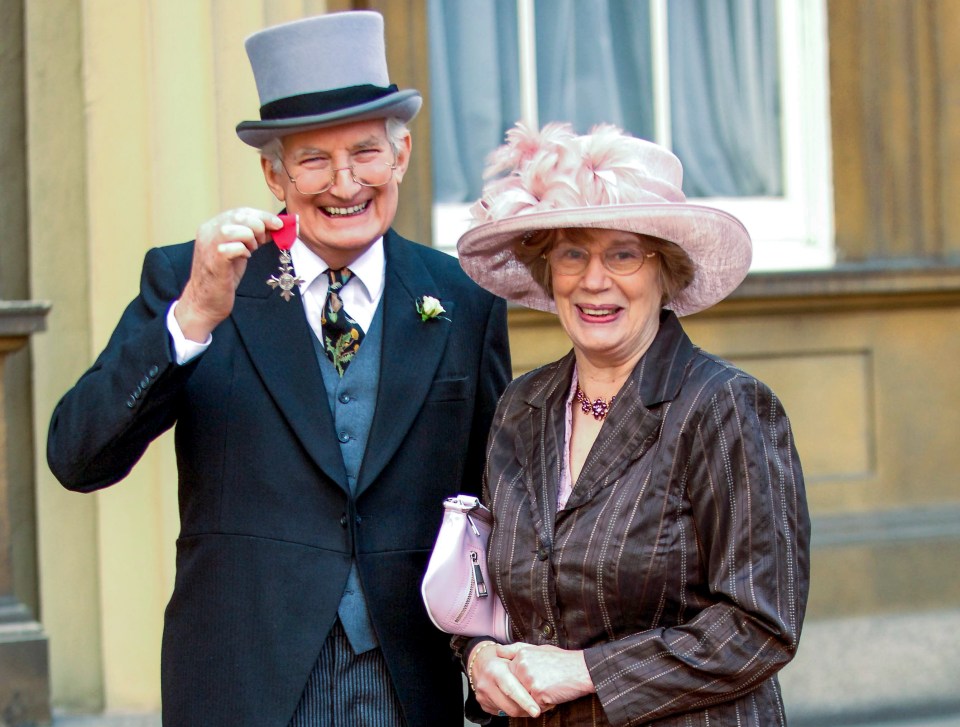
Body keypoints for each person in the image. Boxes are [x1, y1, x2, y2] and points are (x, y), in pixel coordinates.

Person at [46, 11, 510, 727]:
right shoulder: (194, 279)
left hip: (407, 681)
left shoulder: (463, 298)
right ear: (273, 172)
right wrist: (192, 318)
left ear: (403, 154)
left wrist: (489, 662)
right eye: (314, 159)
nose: (345, 181)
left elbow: (492, 504)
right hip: (241, 684)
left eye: (365, 152)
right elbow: (76, 455)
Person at [452, 122, 810, 725]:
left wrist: (587, 670)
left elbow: (762, 624)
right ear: (549, 272)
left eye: (623, 253)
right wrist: (478, 654)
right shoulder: (521, 406)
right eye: (573, 253)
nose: (595, 280)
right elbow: (487, 587)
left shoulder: (723, 406)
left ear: (664, 270)